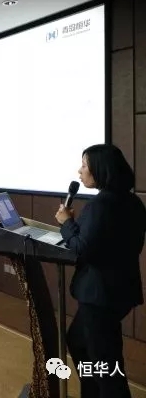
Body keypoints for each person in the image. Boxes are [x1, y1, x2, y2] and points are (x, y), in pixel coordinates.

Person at [55, 144, 146, 398]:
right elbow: (111, 244)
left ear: (100, 169)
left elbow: (82, 248)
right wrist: (74, 226)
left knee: (105, 364)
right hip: (118, 291)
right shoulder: (133, 202)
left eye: (84, 165)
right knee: (79, 342)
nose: (80, 170)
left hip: (100, 295)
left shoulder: (101, 205)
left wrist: (66, 223)